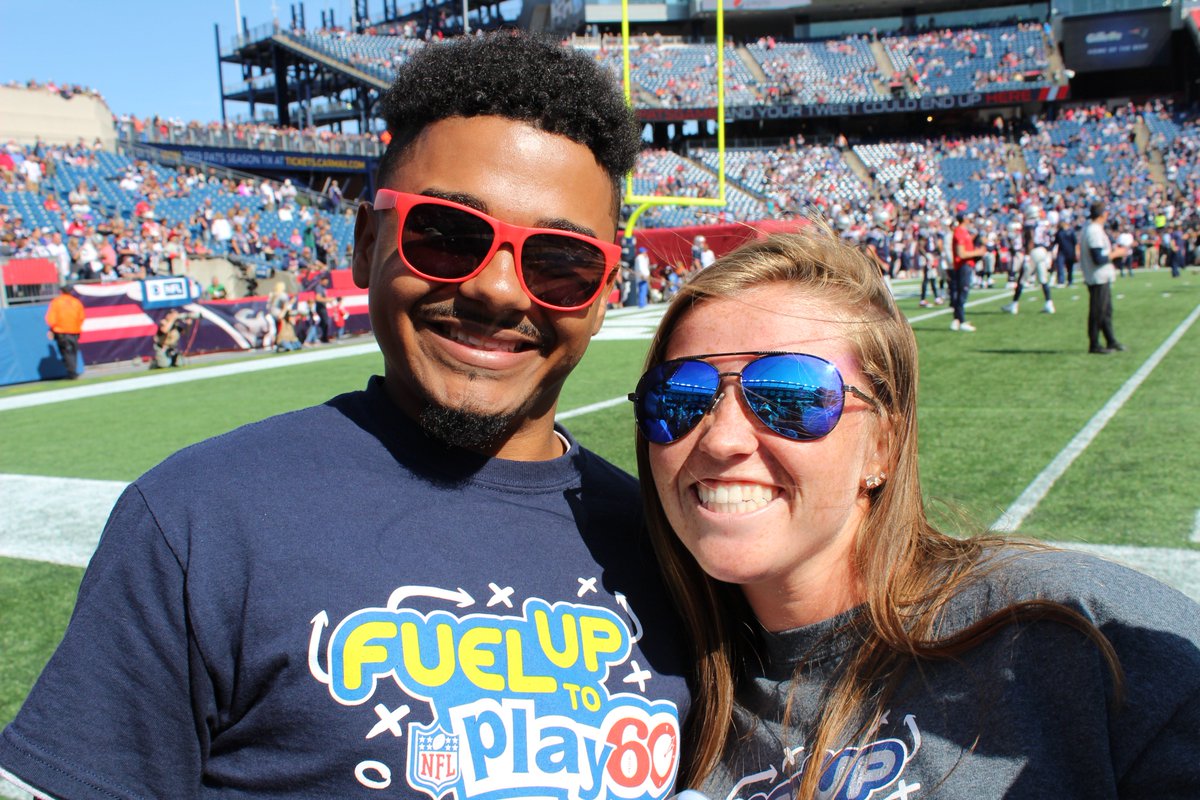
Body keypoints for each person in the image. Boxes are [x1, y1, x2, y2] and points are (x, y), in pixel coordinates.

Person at [0, 32, 688, 800]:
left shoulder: (676, 546)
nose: (498, 290)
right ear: (365, 244)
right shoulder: (198, 520)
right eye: (447, 235)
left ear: (602, 296)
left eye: (561, 261)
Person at [628, 230, 1200, 798]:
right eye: (678, 396)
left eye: (790, 395)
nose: (722, 438)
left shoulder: (1083, 637)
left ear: (884, 445)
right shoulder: (649, 692)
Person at [1080, 201, 1128, 355]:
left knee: (1106, 310)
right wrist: (1116, 253)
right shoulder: (1094, 231)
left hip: (1101, 276)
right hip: (1098, 276)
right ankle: (1094, 343)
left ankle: (1110, 339)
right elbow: (1098, 258)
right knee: (1098, 311)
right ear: (1103, 214)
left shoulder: (1092, 229)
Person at [949, 212, 984, 332]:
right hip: (963, 265)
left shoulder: (964, 231)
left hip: (965, 265)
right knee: (962, 293)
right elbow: (961, 253)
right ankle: (961, 320)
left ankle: (957, 319)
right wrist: (977, 253)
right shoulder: (960, 231)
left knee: (961, 293)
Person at [43, 284, 84, 379]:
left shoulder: (56, 302)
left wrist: (52, 329)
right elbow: (81, 317)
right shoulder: (76, 302)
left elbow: (51, 318)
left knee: (66, 351)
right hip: (74, 331)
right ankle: (73, 370)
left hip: (61, 331)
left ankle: (72, 372)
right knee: (73, 351)